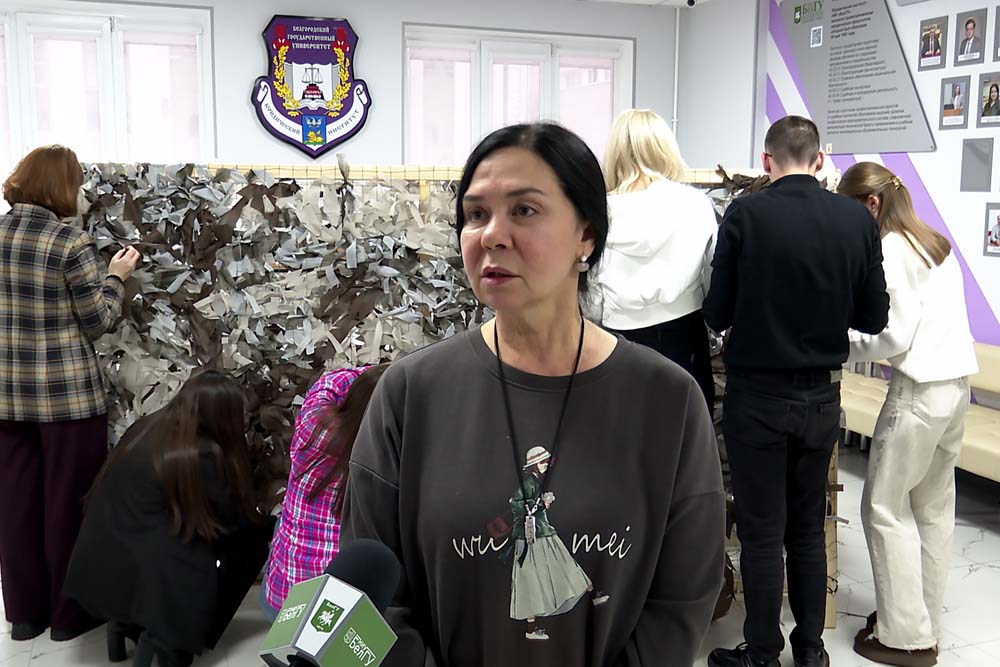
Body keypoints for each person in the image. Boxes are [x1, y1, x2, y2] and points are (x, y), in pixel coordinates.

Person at [343, 122, 725, 667]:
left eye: (524, 210)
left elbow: (682, 600)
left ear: (586, 235)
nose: (492, 235)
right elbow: (372, 600)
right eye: (476, 214)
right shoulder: (410, 393)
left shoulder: (667, 401)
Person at [703, 115, 889, 667]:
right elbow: (874, 317)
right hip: (821, 399)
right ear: (820, 159)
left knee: (762, 534)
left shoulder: (745, 214)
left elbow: (717, 312)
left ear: (767, 161)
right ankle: (811, 652)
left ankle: (762, 653)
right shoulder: (855, 219)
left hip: (756, 398)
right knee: (808, 529)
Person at [837, 164, 978, 667]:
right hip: (956, 391)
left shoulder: (892, 249)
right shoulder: (934, 244)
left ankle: (904, 638)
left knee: (883, 508)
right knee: (933, 510)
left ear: (871, 205)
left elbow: (893, 337)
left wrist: (836, 345)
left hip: (918, 394)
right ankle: (923, 621)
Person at [0, 145, 140, 643]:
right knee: (67, 506)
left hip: (7, 397)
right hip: (67, 399)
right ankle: (68, 617)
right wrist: (116, 278)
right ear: (62, 187)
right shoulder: (69, 242)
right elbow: (98, 320)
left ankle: (24, 616)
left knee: (15, 505)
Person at [64, 369, 271, 667]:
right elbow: (229, 524)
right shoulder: (201, 453)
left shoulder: (145, 425)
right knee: (249, 546)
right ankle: (172, 637)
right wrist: (270, 526)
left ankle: (125, 624)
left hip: (99, 560)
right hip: (149, 567)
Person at [597, 109, 718, 410]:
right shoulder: (695, 204)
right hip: (684, 334)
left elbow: (588, 291)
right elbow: (711, 275)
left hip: (615, 338)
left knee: (620, 430)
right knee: (687, 430)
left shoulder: (598, 213)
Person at [261, 363, 389, 621]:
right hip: (342, 620)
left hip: (282, 602)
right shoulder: (391, 460)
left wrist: (379, 374)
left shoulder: (313, 424)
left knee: (282, 526)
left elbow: (329, 382)